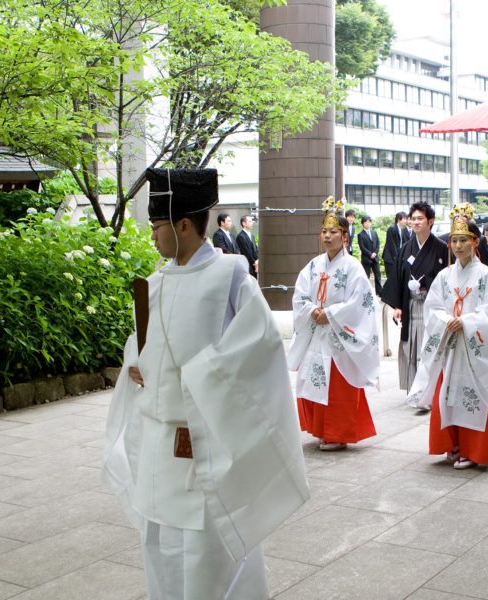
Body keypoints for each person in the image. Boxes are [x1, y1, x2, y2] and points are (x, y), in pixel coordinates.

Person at [103, 168, 308, 600]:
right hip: (159, 449)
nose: (153, 234)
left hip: (202, 445)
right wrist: (136, 365)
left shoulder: (231, 277)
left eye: (157, 225)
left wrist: (197, 380)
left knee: (208, 557)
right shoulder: (153, 285)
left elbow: (260, 346)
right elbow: (139, 349)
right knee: (159, 548)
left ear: (183, 224)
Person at [407, 205, 488, 469]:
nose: (457, 245)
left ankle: (473, 449)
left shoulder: (487, 276)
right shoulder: (444, 276)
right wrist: (446, 321)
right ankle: (452, 444)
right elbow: (432, 307)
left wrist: (464, 322)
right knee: (447, 395)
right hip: (451, 344)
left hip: (473, 347)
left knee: (471, 396)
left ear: (475, 242)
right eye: (454, 240)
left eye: (463, 239)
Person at [287, 197, 380, 451]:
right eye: (324, 232)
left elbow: (359, 301)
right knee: (314, 380)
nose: (328, 236)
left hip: (339, 335)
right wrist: (312, 310)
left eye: (334, 232)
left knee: (338, 386)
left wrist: (331, 313)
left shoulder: (353, 267)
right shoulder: (314, 266)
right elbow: (300, 295)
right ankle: (321, 430)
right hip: (318, 331)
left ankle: (338, 433)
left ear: (345, 237)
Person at [381, 202, 449, 393]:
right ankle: (413, 389)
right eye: (413, 218)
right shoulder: (406, 248)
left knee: (428, 346)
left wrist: (424, 282)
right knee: (410, 346)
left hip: (431, 305)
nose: (416, 222)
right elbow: (398, 277)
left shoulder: (441, 248)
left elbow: (445, 278)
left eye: (420, 218)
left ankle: (429, 391)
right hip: (409, 304)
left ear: (431, 221)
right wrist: (397, 305)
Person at [358, 215, 383, 295]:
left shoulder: (374, 232)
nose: (368, 224)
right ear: (363, 224)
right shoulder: (360, 235)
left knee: (378, 275)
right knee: (366, 276)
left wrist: (375, 253)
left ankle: (379, 292)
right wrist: (370, 254)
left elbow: (378, 244)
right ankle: (365, 292)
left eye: (369, 222)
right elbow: (362, 247)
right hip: (366, 259)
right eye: (366, 222)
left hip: (375, 258)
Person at [382, 211, 409, 283]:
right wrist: (398, 257)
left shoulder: (403, 230)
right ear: (399, 219)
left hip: (398, 257)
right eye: (404, 219)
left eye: (406, 219)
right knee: (391, 278)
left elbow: (404, 243)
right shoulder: (392, 229)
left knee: (397, 278)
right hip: (390, 258)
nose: (406, 221)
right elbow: (391, 245)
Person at [235, 214, 259, 278]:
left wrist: (258, 260)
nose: (252, 223)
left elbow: (256, 250)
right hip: (248, 267)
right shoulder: (240, 236)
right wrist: (255, 263)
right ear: (244, 223)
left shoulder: (252, 236)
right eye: (250, 221)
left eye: (252, 221)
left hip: (255, 267)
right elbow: (246, 252)